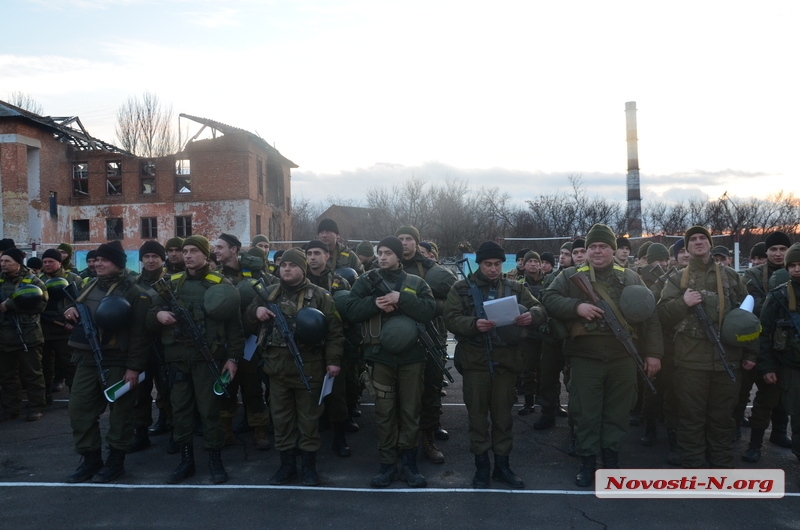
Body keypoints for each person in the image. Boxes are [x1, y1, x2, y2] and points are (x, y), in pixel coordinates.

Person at [542, 224, 662, 486]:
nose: (597, 251)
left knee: (618, 412)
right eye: (592, 246)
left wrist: (653, 353)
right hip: (586, 358)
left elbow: (650, 318)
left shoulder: (630, 278)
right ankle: (587, 463)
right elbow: (548, 298)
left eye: (603, 246)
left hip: (623, 358)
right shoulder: (571, 275)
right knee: (586, 412)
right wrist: (577, 306)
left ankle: (611, 459)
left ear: (613, 250)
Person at [445, 241, 546, 489]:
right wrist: (473, 325)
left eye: (497, 264)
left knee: (503, 417)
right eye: (488, 264)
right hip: (475, 361)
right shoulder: (461, 288)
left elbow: (539, 307)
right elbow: (450, 318)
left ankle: (502, 466)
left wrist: (531, 316)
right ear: (479, 264)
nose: (493, 269)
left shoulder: (514, 287)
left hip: (505, 362)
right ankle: (482, 468)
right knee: (478, 417)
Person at [658, 225, 756, 469]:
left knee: (722, 418)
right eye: (693, 239)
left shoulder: (731, 277)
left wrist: (751, 353)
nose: (699, 242)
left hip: (727, 359)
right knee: (691, 417)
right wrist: (683, 302)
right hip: (690, 361)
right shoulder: (676, 278)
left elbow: (749, 319)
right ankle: (693, 466)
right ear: (687, 247)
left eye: (703, 238)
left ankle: (721, 464)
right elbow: (661, 314)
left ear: (711, 245)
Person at [148, 235, 243, 484]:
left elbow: (234, 326)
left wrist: (233, 358)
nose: (188, 255)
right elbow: (148, 315)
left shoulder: (220, 284)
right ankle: (186, 460)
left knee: (210, 412)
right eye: (185, 251)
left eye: (193, 251)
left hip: (207, 361)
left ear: (206, 254)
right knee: (180, 412)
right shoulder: (171, 283)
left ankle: (215, 459)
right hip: (178, 360)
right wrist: (159, 315)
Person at [246, 248, 344, 486]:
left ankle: (309, 467)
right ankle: (286, 465)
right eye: (283, 265)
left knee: (309, 419)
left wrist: (333, 361)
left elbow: (335, 332)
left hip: (308, 367)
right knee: (281, 419)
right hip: (276, 369)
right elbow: (247, 319)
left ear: (303, 269)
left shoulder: (320, 296)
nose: (286, 269)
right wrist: (256, 311)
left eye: (292, 265)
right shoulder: (268, 293)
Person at [343, 236, 436, 488]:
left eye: (387, 253)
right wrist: (374, 303)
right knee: (384, 413)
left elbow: (430, 311)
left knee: (410, 410)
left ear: (398, 256)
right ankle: (387, 463)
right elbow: (350, 310)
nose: (382, 257)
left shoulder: (415, 283)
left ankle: (408, 462)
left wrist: (401, 299)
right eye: (379, 252)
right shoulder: (365, 282)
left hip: (412, 358)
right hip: (379, 357)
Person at [64, 240, 150, 483]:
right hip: (87, 360)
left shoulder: (134, 291)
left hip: (119, 362)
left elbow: (140, 334)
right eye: (97, 260)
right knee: (79, 410)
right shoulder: (88, 286)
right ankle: (90, 460)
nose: (98, 263)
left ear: (118, 264)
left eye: (104, 260)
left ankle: (115, 462)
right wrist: (70, 310)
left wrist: (134, 367)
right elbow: (80, 309)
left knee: (120, 415)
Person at [396, 225, 457, 463]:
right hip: (399, 340)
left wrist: (426, 306)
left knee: (431, 389)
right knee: (399, 393)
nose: (404, 243)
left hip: (430, 337)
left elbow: (455, 300)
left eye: (408, 239)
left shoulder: (434, 272)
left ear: (417, 242)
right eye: (400, 238)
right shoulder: (388, 269)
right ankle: (403, 440)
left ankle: (428, 438)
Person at [213, 233, 272, 450]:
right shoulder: (214, 275)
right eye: (215, 247)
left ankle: (259, 429)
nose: (216, 251)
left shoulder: (255, 274)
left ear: (234, 249)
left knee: (253, 387)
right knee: (226, 385)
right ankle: (226, 430)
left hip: (251, 340)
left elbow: (270, 292)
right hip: (224, 340)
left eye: (220, 247)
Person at [739, 231, 794, 461]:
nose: (778, 253)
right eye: (774, 249)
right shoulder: (752, 276)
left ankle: (779, 432)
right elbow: (746, 307)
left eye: (783, 249)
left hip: (790, 347)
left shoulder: (795, 273)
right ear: (767, 252)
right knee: (758, 396)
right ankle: (753, 443)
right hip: (760, 343)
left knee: (784, 397)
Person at [305, 239, 356, 456]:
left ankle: (339, 437)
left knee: (337, 394)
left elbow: (348, 314)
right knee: (307, 393)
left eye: (318, 253)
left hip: (333, 343)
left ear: (327, 256)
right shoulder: (300, 281)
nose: (313, 257)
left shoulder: (339, 282)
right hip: (307, 346)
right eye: (309, 253)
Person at [758, 243, 800, 465]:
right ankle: (756, 444)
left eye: (799, 264)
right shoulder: (778, 296)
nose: (796, 269)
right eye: (791, 265)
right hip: (787, 366)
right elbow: (763, 334)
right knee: (782, 409)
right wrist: (767, 367)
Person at [129, 240, 170, 454]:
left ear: (163, 259)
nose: (151, 260)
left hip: (165, 345)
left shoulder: (171, 282)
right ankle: (141, 432)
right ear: (142, 259)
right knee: (140, 392)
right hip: (140, 346)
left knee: (168, 388)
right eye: (147, 256)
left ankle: (169, 426)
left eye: (155, 256)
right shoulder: (132, 283)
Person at [0, 247, 48, 422]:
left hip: (27, 336)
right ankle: (11, 408)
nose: (3, 264)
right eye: (2, 261)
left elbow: (41, 305)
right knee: (7, 376)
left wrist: (12, 304)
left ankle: (36, 407)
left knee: (33, 374)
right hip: (3, 337)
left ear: (18, 263)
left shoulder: (33, 281)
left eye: (7, 261)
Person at [38, 248, 81, 403]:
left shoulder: (73, 279)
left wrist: (72, 324)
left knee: (70, 364)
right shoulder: (38, 279)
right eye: (44, 262)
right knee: (45, 365)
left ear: (59, 262)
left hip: (65, 330)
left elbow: (81, 303)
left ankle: (75, 396)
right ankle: (46, 395)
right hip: (44, 329)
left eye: (51, 261)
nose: (47, 264)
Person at [517, 250, 547, 416]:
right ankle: (529, 403)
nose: (533, 264)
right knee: (528, 369)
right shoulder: (518, 284)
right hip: (527, 333)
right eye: (530, 262)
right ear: (524, 264)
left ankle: (549, 403)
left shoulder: (549, 281)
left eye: (536, 261)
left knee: (547, 369)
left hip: (546, 332)